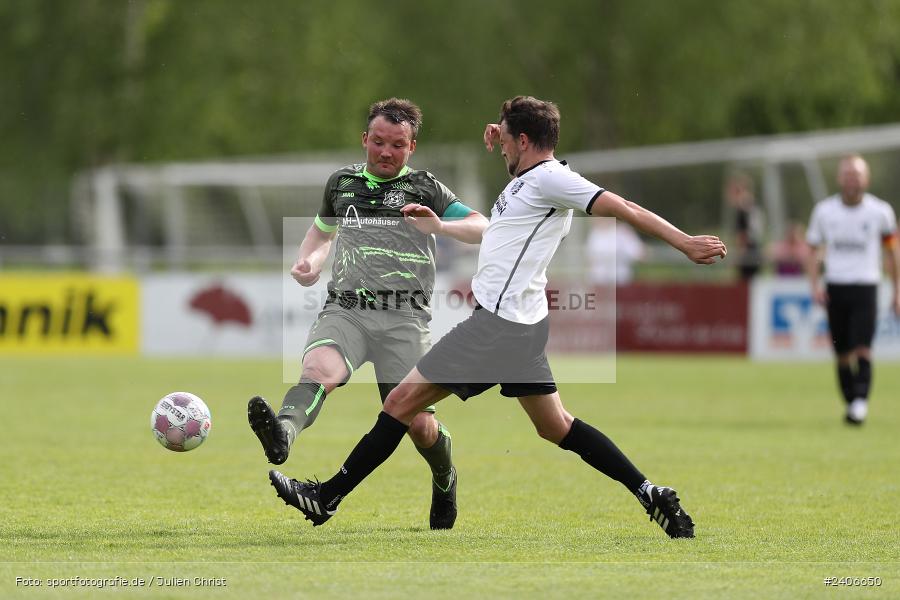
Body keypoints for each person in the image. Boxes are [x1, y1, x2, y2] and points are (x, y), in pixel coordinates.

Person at [268, 96, 726, 538]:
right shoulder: (531, 174)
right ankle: (650, 492)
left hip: (497, 328)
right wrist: (501, 131)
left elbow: (621, 206)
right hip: (522, 325)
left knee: (398, 405)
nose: (498, 143)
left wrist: (683, 241)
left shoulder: (553, 180)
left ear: (524, 140)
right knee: (556, 426)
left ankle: (326, 496)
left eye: (505, 138)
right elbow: (516, 178)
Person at [248, 98, 488, 529]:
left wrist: (439, 226)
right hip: (348, 308)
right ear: (365, 139)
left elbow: (481, 226)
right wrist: (311, 262)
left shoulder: (426, 187)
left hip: (404, 318)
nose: (385, 152)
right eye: (378, 142)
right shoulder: (340, 183)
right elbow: (321, 233)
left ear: (411, 147)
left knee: (419, 427)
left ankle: (444, 476)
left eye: (396, 145)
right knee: (318, 370)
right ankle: (283, 431)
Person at [806, 154, 900, 425]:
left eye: (857, 174)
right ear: (839, 178)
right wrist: (814, 285)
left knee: (863, 348)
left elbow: (892, 253)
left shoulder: (881, 212)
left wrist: (896, 290)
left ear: (866, 178)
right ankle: (852, 402)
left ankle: (860, 402)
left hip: (866, 284)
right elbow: (812, 251)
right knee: (842, 353)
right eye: (848, 174)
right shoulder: (824, 211)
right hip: (836, 285)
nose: (852, 179)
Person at [725, 171, 764, 281]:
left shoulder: (741, 210)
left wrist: (737, 258)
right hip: (755, 251)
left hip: (747, 254)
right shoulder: (752, 206)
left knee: (745, 287)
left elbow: (743, 235)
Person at [586, 217, 645, 285]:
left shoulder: (624, 232)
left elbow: (639, 254)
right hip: (599, 280)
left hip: (620, 280)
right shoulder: (595, 233)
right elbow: (590, 258)